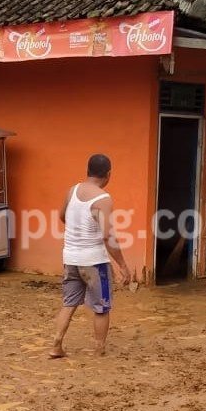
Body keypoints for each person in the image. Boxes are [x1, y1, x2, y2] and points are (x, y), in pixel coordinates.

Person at [50, 154, 132, 359]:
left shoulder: (72, 190)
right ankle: (99, 350)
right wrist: (122, 265)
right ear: (108, 174)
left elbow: (62, 216)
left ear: (88, 170)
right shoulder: (102, 199)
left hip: (70, 258)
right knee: (102, 307)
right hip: (94, 261)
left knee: (69, 303)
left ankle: (56, 346)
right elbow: (107, 235)